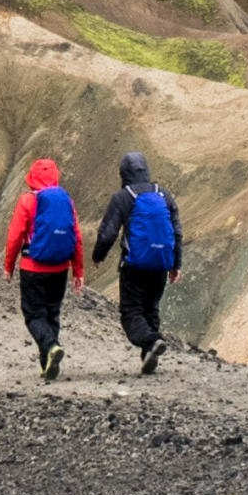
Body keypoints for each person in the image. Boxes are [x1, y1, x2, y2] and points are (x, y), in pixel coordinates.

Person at [88, 151, 180, 373]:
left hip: (134, 266)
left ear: (124, 174)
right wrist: (176, 264)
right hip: (160, 264)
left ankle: (150, 342)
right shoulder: (164, 195)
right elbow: (176, 232)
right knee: (151, 308)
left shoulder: (123, 197)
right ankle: (149, 356)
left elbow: (108, 233)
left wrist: (98, 256)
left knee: (131, 311)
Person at [0, 156, 83, 380]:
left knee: (34, 314)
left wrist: (8, 265)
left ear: (32, 178)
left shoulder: (27, 200)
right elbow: (76, 237)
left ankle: (51, 346)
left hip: (32, 268)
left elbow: (15, 236)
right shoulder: (67, 201)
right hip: (60, 268)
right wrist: (78, 270)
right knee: (52, 313)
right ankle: (47, 362)